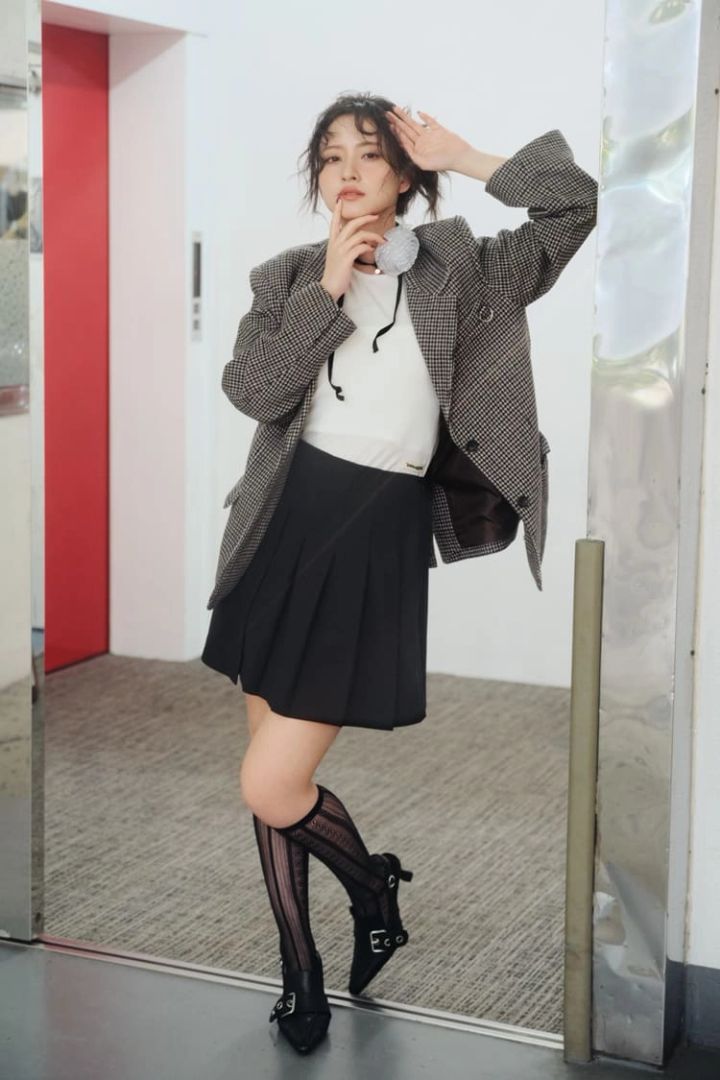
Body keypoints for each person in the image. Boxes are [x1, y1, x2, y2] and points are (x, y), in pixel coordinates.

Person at [201, 91, 598, 1055]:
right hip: (281, 526)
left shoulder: (468, 268)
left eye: (369, 155)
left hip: (372, 534)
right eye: (331, 156)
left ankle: (372, 888)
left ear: (405, 174)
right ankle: (303, 972)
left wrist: (464, 154)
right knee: (271, 778)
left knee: (271, 784)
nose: (346, 171)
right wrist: (326, 289)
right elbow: (253, 391)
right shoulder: (288, 276)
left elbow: (575, 205)